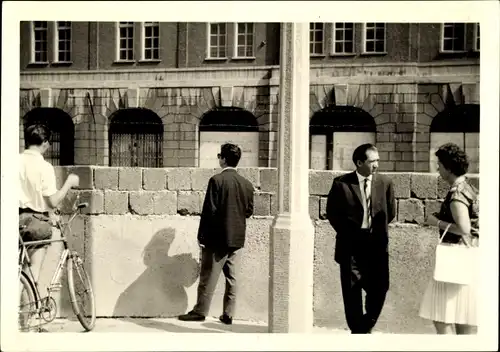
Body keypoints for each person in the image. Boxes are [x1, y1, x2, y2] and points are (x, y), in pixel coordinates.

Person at [178, 143, 254, 325]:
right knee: (232, 278)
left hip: (217, 239)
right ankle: (228, 314)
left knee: (207, 277)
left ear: (224, 159)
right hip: (236, 239)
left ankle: (200, 311)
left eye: (220, 155)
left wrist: (202, 237)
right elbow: (249, 211)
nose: (219, 158)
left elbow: (209, 211)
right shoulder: (247, 184)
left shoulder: (216, 180)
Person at [326, 143, 396, 334]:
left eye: (377, 161)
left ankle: (367, 323)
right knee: (351, 293)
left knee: (380, 288)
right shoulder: (341, 183)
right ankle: (358, 332)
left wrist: (373, 232)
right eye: (372, 161)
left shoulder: (386, 182)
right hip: (351, 247)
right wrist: (351, 234)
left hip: (377, 246)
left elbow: (390, 213)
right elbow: (332, 214)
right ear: (359, 162)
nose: (376, 165)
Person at [420, 143, 479, 334]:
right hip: (469, 257)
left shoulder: (457, 194)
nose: (438, 168)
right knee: (464, 317)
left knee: (442, 317)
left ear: (448, 167)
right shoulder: (468, 187)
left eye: (439, 164)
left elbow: (464, 228)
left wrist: (434, 222)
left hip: (454, 260)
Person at [19, 124, 80, 283]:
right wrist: (69, 182)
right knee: (31, 270)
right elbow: (52, 201)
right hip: (36, 222)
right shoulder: (44, 167)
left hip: (14, 219)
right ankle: (29, 306)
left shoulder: (14, 162)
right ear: (45, 142)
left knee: (16, 272)